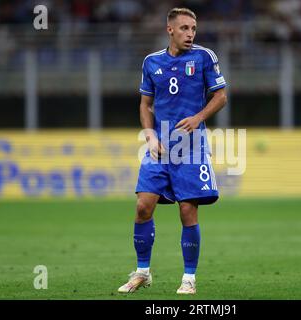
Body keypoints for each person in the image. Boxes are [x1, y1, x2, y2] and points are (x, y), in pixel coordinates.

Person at [118, 7, 227, 295]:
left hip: (191, 149)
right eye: (184, 28)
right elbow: (145, 104)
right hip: (159, 147)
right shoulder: (151, 62)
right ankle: (142, 272)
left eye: (193, 28)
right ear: (170, 30)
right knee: (143, 206)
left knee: (187, 211)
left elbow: (221, 95)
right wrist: (150, 135)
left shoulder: (205, 57)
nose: (190, 33)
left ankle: (188, 278)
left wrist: (199, 117)